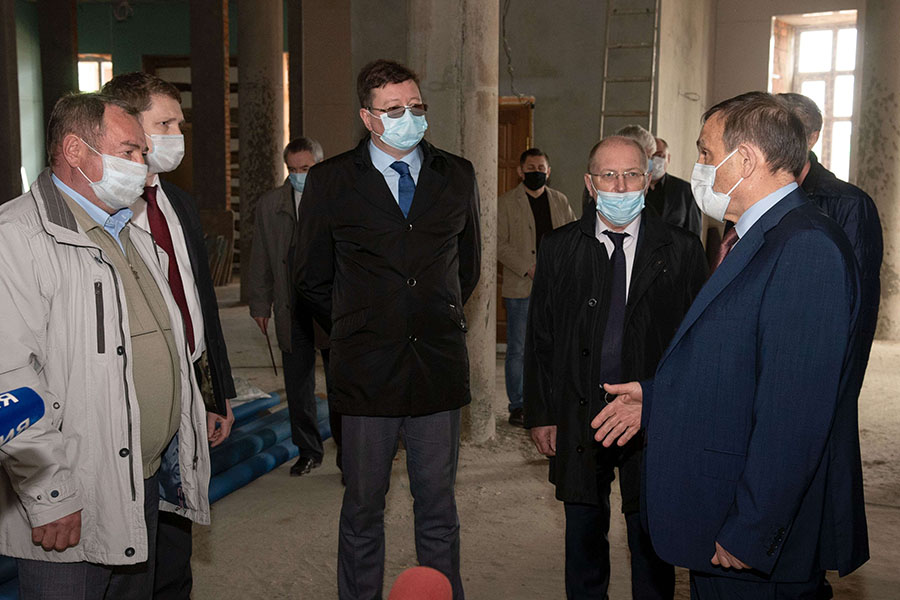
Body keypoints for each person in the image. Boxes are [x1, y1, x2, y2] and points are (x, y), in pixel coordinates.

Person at [594, 92, 869, 598]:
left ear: (744, 160)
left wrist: (753, 528)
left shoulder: (804, 246)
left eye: (705, 152)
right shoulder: (759, 235)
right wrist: (656, 397)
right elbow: (737, 363)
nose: (699, 165)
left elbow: (795, 412)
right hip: (722, 507)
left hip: (751, 540)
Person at [0, 92, 211, 599]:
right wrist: (50, 494)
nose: (143, 165)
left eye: (143, 153)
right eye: (129, 152)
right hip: (73, 497)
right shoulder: (17, 237)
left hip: (140, 482)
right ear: (75, 150)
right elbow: (9, 381)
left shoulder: (128, 230)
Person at [294, 58, 481, 600]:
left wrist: (431, 310)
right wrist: (358, 324)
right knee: (362, 508)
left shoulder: (457, 174)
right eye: (394, 109)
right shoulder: (330, 181)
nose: (408, 117)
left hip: (437, 367)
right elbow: (310, 277)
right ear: (367, 117)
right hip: (366, 371)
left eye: (415, 106)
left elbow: (467, 266)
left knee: (438, 507)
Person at [525, 136, 707, 600]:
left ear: (647, 181)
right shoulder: (559, 247)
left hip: (650, 413)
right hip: (579, 408)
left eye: (631, 174)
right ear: (590, 184)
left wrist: (673, 406)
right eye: (608, 175)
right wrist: (542, 413)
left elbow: (697, 344)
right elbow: (541, 338)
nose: (620, 186)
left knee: (651, 536)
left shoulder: (682, 249)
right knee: (584, 532)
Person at [102, 72, 237, 600]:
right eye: (165, 124)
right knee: (133, 549)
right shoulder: (107, 210)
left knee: (176, 546)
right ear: (126, 125)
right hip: (137, 399)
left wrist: (216, 393)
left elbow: (200, 306)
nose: (177, 135)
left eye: (179, 123)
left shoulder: (178, 203)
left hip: (190, 389)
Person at [248, 137, 337, 477]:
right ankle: (309, 451)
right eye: (293, 169)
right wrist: (260, 303)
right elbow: (260, 257)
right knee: (298, 386)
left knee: (340, 383)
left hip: (330, 305)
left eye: (306, 168)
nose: (299, 175)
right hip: (291, 305)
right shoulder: (270, 205)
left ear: (320, 165)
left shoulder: (337, 198)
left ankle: (349, 454)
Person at [778, 92, 883, 368]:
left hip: (815, 359)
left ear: (812, 138)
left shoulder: (850, 204)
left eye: (787, 131)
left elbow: (857, 306)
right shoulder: (747, 197)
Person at [497, 148, 575, 428]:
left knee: (555, 347)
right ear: (520, 172)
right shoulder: (506, 203)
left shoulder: (560, 200)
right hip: (521, 287)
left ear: (548, 172)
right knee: (518, 349)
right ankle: (518, 405)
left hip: (556, 288)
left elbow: (572, 235)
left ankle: (550, 401)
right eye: (530, 168)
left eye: (541, 168)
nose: (536, 172)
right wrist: (528, 267)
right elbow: (498, 243)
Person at [646, 137, 702, 236]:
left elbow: (694, 232)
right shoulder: (635, 189)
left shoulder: (685, 191)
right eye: (650, 156)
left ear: (668, 158)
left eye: (660, 155)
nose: (654, 160)